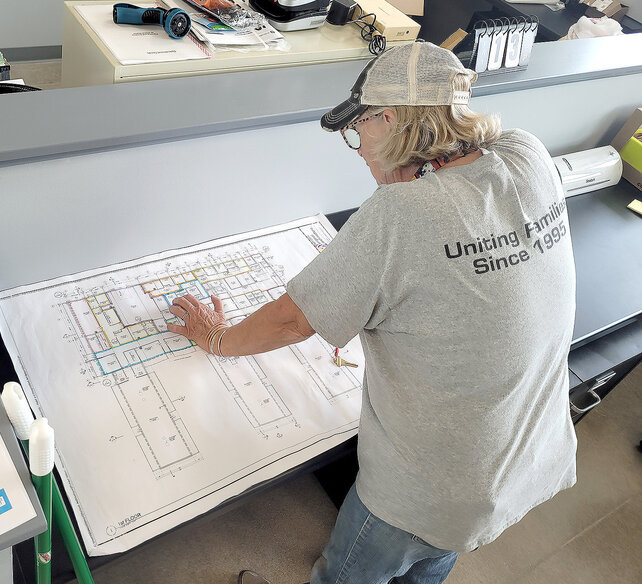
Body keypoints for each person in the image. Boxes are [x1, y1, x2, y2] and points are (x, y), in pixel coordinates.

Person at [167, 40, 577, 584]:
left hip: (427, 491)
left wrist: (216, 337)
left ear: (389, 118)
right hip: (521, 457)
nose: (360, 148)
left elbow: (291, 320)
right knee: (430, 563)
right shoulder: (527, 154)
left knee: (348, 575)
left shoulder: (400, 214)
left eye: (359, 130)